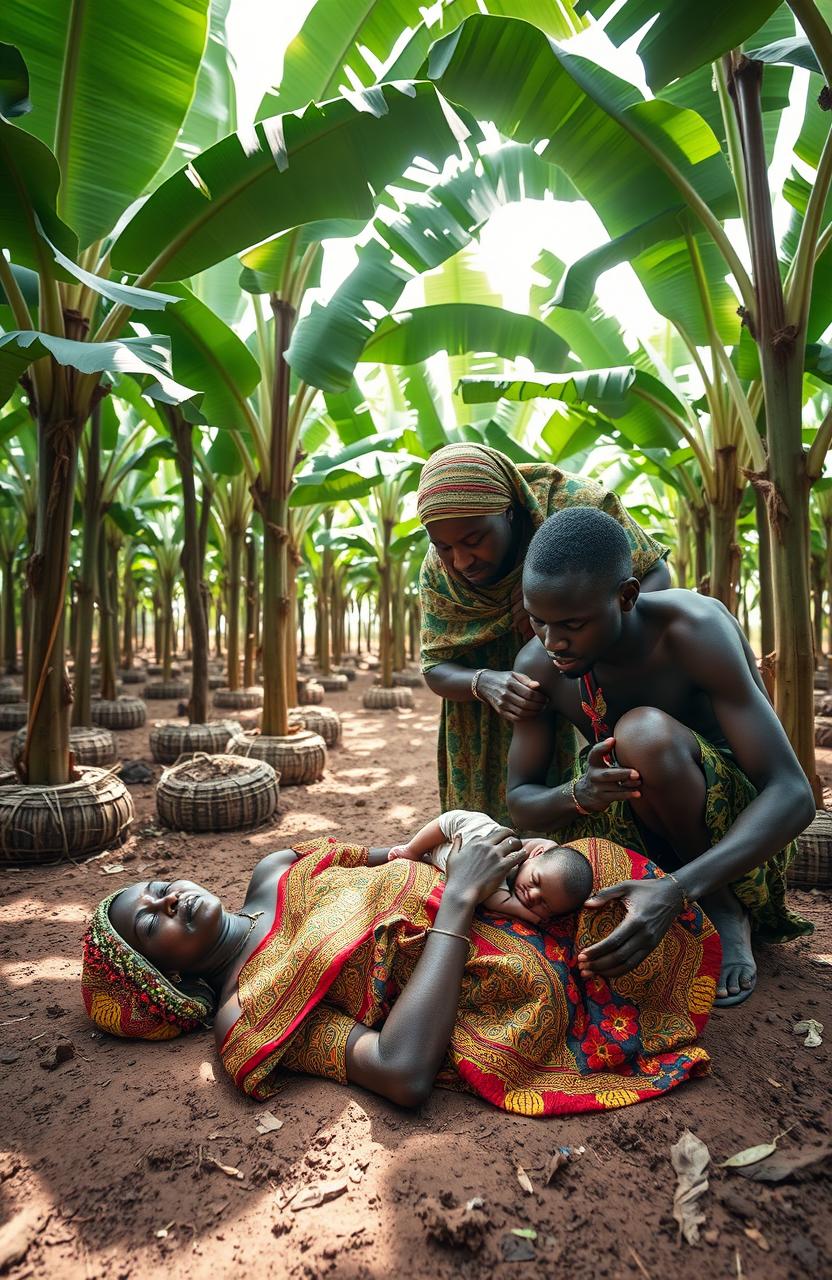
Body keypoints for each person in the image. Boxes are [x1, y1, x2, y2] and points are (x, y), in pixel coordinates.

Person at [81, 831, 721, 1116]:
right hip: (498, 983)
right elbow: (401, 1070)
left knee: (590, 867)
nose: (169, 899)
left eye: (160, 886)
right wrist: (460, 905)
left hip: (511, 895)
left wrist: (495, 853)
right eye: (150, 924)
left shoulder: (276, 869)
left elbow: (409, 853)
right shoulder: (246, 1015)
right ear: (164, 979)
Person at [506, 506, 815, 1009]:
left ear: (627, 596)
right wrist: (578, 794)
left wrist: (678, 889)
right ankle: (655, 899)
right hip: (635, 838)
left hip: (734, 844)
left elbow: (792, 795)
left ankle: (722, 907)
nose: (553, 642)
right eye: (538, 621)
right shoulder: (539, 664)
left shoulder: (694, 630)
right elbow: (521, 802)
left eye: (572, 624)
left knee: (643, 734)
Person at [417, 442, 671, 825]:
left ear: (509, 513)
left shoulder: (576, 509)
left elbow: (654, 575)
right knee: (486, 837)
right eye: (444, 547)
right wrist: (483, 683)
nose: (461, 561)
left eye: (473, 541)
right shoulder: (439, 573)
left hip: (586, 676)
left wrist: (571, 625)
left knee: (601, 814)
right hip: (490, 712)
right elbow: (435, 665)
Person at [386, 810, 593, 924]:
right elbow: (498, 903)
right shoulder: (504, 875)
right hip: (475, 833)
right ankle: (412, 849)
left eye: (544, 904)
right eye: (536, 881)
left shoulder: (537, 866)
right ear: (535, 855)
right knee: (447, 822)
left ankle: (419, 854)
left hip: (448, 858)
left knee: (435, 853)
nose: (532, 895)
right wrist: (531, 915)